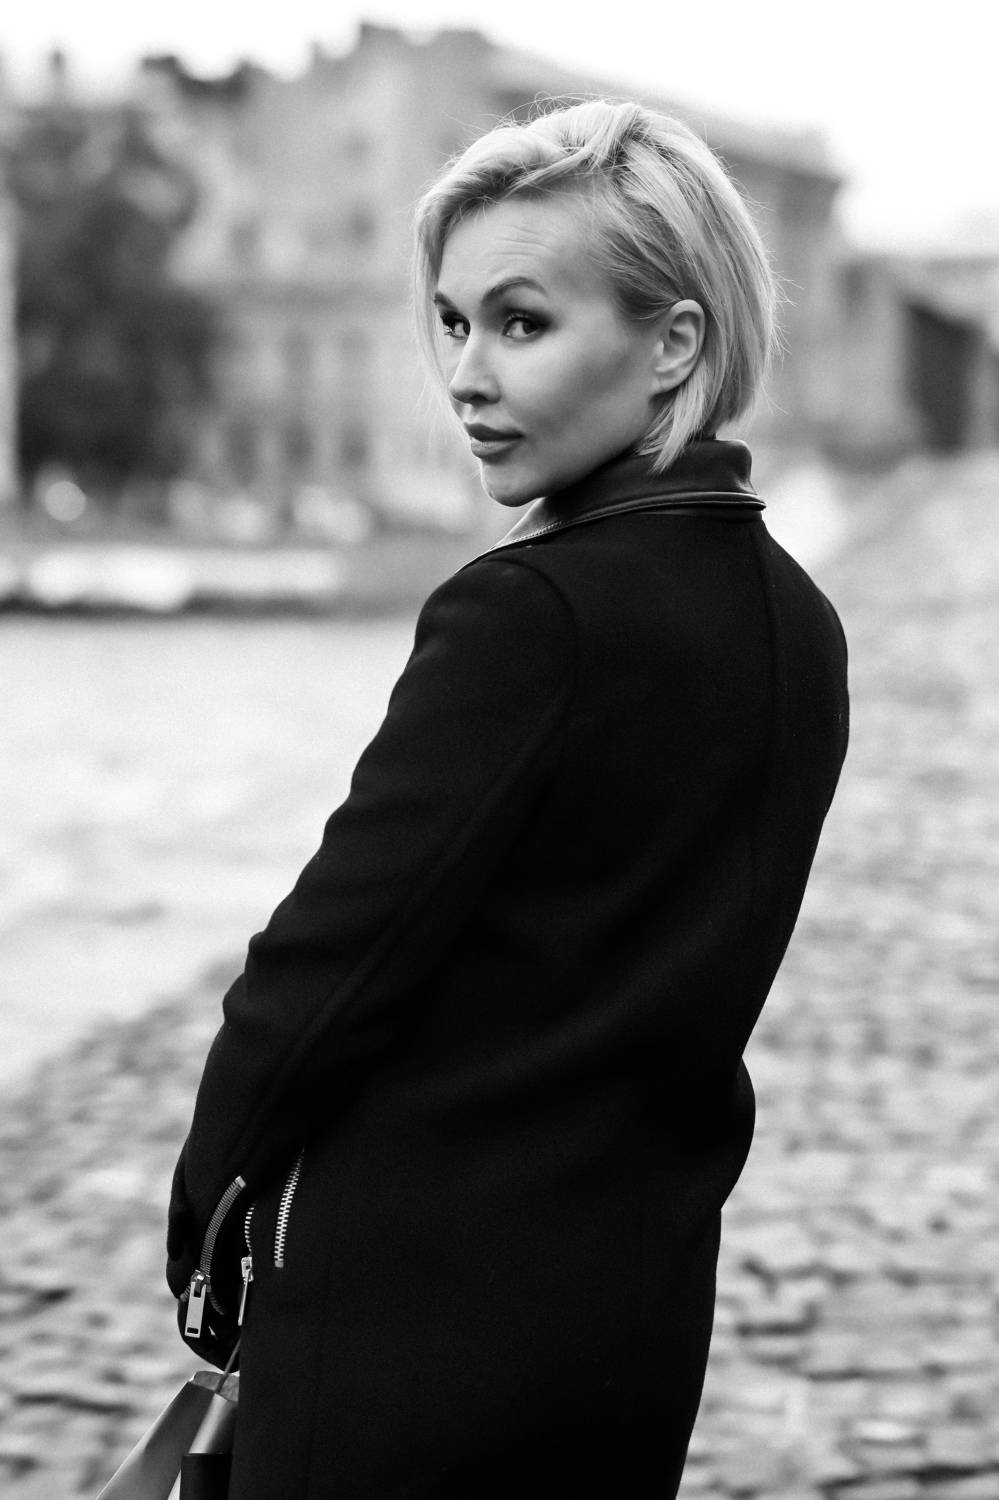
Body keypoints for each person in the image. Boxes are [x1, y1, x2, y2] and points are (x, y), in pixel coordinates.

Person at [166, 99, 849, 1499]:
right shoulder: (799, 622)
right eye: (454, 323)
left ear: (674, 345)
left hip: (407, 1322)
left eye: (522, 324)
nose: (468, 377)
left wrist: (209, 1215)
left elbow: (327, 966)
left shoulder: (528, 614)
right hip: (631, 1318)